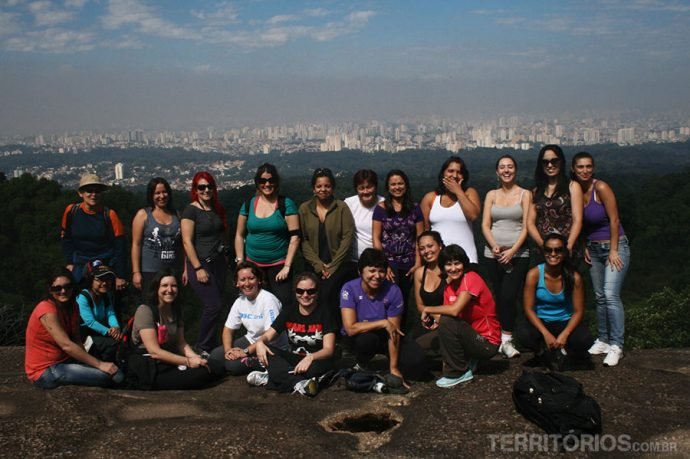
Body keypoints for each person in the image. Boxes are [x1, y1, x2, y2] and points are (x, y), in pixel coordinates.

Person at [572, 152, 630, 367]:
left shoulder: (601, 188)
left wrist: (614, 250)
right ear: (574, 169)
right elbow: (581, 222)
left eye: (588, 166)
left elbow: (614, 219)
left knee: (610, 295)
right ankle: (604, 339)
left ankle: (617, 344)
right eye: (580, 167)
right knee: (599, 296)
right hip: (594, 249)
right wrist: (584, 244)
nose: (585, 170)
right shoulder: (577, 191)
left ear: (593, 168)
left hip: (615, 246)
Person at [25, 268, 124, 389]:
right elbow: (66, 345)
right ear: (50, 290)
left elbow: (76, 339)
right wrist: (99, 364)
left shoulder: (73, 306)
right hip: (45, 371)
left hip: (65, 362)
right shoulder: (46, 309)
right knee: (109, 376)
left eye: (68, 286)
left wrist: (85, 363)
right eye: (57, 288)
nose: (63, 291)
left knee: (115, 373)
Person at [340, 248, 428, 383]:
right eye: (372, 271)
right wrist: (383, 323)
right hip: (361, 335)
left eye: (381, 271)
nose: (377, 275)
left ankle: (390, 366)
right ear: (360, 271)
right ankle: (361, 363)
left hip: (387, 335)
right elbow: (350, 328)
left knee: (417, 364)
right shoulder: (349, 288)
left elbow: (394, 331)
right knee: (366, 341)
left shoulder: (393, 290)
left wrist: (394, 368)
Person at [420, 245, 500, 388]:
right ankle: (466, 359)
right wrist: (435, 321)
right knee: (419, 349)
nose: (454, 268)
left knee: (447, 318)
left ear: (464, 264)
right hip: (466, 337)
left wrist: (428, 309)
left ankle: (459, 372)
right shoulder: (448, 288)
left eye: (457, 263)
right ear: (443, 267)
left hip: (486, 343)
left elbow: (454, 311)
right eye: (448, 264)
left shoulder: (471, 278)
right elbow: (450, 321)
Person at [248, 272, 337, 397]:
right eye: (300, 291)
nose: (305, 295)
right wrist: (261, 343)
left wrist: (311, 357)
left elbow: (328, 350)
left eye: (310, 291)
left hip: (317, 360)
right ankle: (298, 383)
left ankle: (273, 378)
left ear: (317, 292)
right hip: (295, 359)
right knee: (268, 353)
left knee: (313, 370)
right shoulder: (289, 311)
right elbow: (268, 335)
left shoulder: (325, 312)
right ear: (295, 292)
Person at [516, 233, 593, 370]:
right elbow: (528, 308)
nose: (553, 254)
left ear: (564, 253)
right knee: (524, 335)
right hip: (542, 320)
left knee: (584, 339)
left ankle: (570, 352)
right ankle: (542, 350)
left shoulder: (574, 277)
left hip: (565, 321)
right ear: (543, 252)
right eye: (548, 250)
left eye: (558, 250)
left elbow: (578, 311)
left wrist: (565, 334)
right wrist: (545, 333)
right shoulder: (534, 275)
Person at [127, 268, 212, 390]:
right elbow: (154, 351)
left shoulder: (176, 311)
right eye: (164, 286)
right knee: (199, 375)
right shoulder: (145, 311)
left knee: (210, 365)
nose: (169, 290)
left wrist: (196, 358)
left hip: (167, 359)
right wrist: (188, 362)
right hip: (148, 364)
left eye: (174, 286)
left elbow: (181, 343)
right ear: (157, 289)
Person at [481, 155, 532, 358]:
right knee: (498, 296)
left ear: (516, 170)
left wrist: (512, 251)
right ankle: (499, 337)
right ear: (497, 171)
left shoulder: (525, 194)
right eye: (502, 167)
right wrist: (494, 246)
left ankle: (507, 339)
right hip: (492, 254)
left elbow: (527, 226)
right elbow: (485, 224)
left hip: (518, 253)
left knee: (509, 296)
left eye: (510, 166)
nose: (506, 170)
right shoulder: (491, 195)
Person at [234, 163, 300, 307]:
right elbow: (239, 234)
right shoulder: (248, 204)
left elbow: (295, 237)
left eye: (271, 180)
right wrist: (240, 261)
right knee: (256, 305)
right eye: (262, 181)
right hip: (253, 266)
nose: (267, 184)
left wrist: (287, 266)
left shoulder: (286, 204)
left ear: (276, 182)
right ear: (257, 183)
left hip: (279, 265)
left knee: (283, 304)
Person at [208, 261, 287, 376]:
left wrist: (245, 352)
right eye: (242, 280)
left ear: (259, 280)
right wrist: (228, 351)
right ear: (237, 283)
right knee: (215, 356)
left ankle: (264, 364)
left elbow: (271, 334)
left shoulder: (268, 300)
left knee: (232, 366)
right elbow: (228, 329)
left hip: (271, 346)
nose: (247, 283)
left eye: (251, 278)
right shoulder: (239, 301)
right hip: (251, 340)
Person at [181, 171, 229, 353]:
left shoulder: (217, 208)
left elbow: (223, 233)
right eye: (201, 187)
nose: (206, 190)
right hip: (201, 263)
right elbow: (187, 241)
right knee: (213, 305)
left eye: (209, 186)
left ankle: (214, 346)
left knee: (219, 306)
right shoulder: (191, 210)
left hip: (218, 264)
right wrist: (197, 267)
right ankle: (202, 347)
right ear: (195, 189)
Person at [298, 168, 355, 318]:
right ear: (313, 189)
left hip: (338, 265)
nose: (323, 189)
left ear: (333, 187)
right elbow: (302, 239)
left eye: (327, 186)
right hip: (313, 264)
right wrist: (318, 265)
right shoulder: (304, 209)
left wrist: (333, 266)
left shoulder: (341, 207)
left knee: (331, 297)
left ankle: (334, 333)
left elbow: (347, 237)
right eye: (319, 186)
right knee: (311, 298)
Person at [60, 172, 127, 290]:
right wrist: (69, 262)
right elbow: (66, 239)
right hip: (79, 265)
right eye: (89, 191)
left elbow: (120, 247)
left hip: (104, 265)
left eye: (97, 191)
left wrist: (120, 275)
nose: (93, 194)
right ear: (80, 193)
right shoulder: (71, 211)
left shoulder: (110, 215)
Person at [373, 170, 423, 320]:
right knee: (387, 299)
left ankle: (403, 336)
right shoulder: (381, 209)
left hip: (409, 262)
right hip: (389, 263)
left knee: (405, 300)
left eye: (400, 183)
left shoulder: (415, 208)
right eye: (393, 184)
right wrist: (383, 265)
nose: (397, 187)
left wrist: (418, 263)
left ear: (406, 185)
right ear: (388, 187)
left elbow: (420, 236)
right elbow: (376, 237)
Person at [420, 156, 481, 264]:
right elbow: (424, 231)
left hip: (467, 258)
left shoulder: (469, 193)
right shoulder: (431, 198)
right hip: (438, 260)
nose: (455, 175)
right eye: (450, 171)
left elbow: (473, 215)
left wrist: (458, 191)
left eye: (459, 172)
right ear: (443, 173)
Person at [131, 177, 184, 295]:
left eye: (164, 192)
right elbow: (136, 244)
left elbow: (184, 244)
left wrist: (186, 269)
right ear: (151, 195)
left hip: (173, 272)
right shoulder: (143, 215)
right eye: (157, 193)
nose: (162, 196)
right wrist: (136, 272)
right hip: (150, 271)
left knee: (173, 309)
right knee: (151, 307)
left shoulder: (177, 215)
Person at [527, 145, 583, 255]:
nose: (550, 165)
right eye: (545, 162)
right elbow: (530, 223)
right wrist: (542, 245)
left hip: (567, 249)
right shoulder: (536, 191)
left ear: (561, 162)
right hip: (543, 250)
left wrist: (569, 245)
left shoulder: (572, 187)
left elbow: (578, 220)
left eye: (554, 161)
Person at [76, 260, 122, 363]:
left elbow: (110, 313)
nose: (104, 283)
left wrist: (115, 327)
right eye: (99, 279)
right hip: (85, 337)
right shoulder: (83, 297)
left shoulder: (106, 295)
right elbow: (90, 322)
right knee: (113, 345)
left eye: (108, 279)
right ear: (90, 280)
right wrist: (109, 332)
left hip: (99, 334)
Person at [344, 169, 384, 269]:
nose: (365, 191)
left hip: (378, 262)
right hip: (354, 261)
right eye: (361, 188)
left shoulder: (384, 205)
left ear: (375, 187)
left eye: (369, 187)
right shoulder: (349, 204)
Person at [413, 231, 445, 354]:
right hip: (428, 321)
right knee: (410, 350)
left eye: (430, 246)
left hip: (449, 322)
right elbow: (420, 305)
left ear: (440, 246)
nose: (426, 251)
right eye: (422, 248)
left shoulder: (450, 270)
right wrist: (433, 316)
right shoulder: (420, 273)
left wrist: (440, 319)